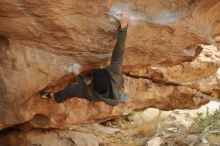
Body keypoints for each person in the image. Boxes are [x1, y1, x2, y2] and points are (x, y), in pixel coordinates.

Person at [40, 10, 129, 106]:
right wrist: (123, 27)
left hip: (99, 93)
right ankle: (120, 97)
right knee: (118, 90)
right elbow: (118, 53)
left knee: (71, 90)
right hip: (114, 88)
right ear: (108, 75)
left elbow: (83, 87)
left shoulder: (90, 94)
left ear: (92, 84)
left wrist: (77, 74)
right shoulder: (115, 73)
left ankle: (53, 96)